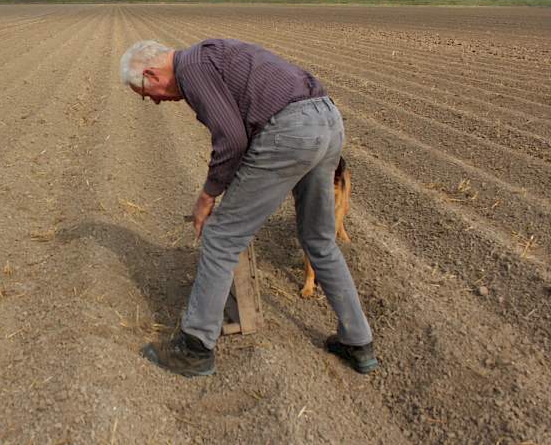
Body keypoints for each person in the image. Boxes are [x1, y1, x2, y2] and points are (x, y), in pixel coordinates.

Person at [119, 39, 378, 376]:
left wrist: (208, 196)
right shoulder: (213, 56)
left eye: (145, 93)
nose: (153, 100)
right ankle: (358, 343)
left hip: (292, 129)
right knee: (319, 239)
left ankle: (195, 348)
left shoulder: (192, 68)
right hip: (328, 119)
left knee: (221, 237)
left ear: (151, 74)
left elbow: (231, 140)